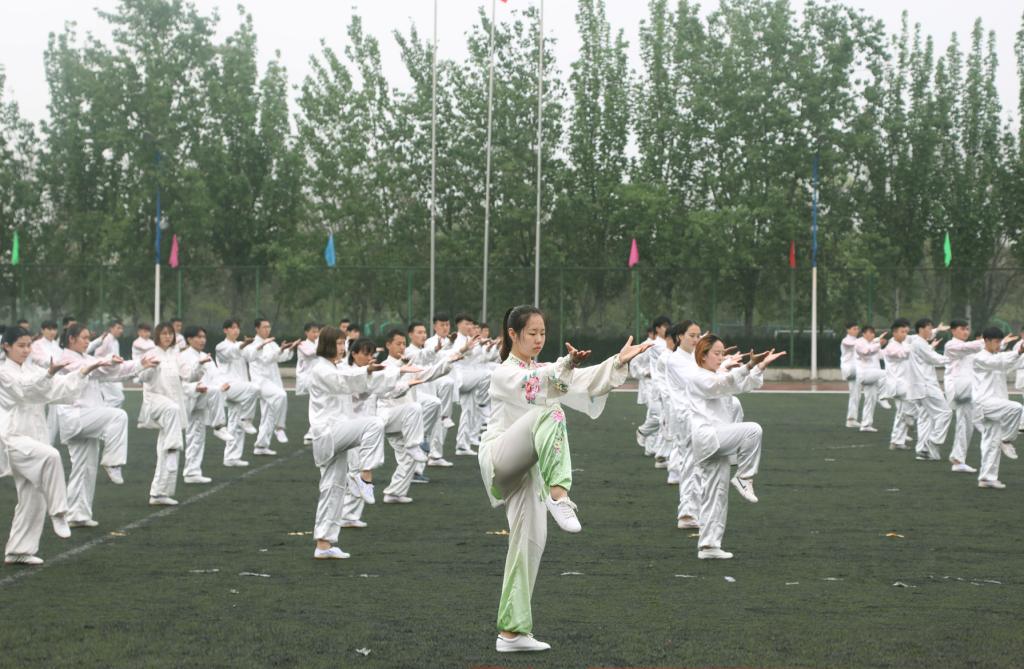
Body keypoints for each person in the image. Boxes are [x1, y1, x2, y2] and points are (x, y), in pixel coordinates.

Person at [480, 305, 651, 653]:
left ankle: (512, 633)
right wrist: (564, 365)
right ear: (512, 334)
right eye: (532, 333)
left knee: (530, 543)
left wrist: (617, 362)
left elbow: (579, 382)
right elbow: (536, 386)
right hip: (501, 456)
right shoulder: (503, 373)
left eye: (543, 333)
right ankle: (559, 495)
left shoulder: (544, 369)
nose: (539, 339)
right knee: (551, 410)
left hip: (528, 468)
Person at [0, 327, 108, 565]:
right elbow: (23, 391)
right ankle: (59, 511)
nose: (26, 350)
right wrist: (48, 374)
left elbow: (57, 389)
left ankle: (18, 550)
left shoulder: (32, 369)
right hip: (11, 438)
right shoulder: (3, 372)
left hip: (34, 437)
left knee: (33, 495)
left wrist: (82, 372)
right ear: (6, 346)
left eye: (29, 345)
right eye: (20, 345)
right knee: (51, 456)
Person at [684, 336, 785, 560]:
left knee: (716, 494)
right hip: (709, 437)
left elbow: (744, 384)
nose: (722, 357)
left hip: (718, 439)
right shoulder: (697, 376)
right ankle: (744, 476)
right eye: (717, 353)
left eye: (723, 353)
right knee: (752, 430)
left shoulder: (717, 375)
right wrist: (748, 365)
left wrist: (759, 367)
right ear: (702, 355)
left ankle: (709, 546)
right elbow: (721, 385)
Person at [53, 323, 152, 527]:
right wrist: (105, 361)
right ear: (71, 339)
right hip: (75, 417)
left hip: (87, 418)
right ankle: (113, 461)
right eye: (84, 337)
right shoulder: (64, 358)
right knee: (118, 416)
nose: (87, 341)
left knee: (85, 468)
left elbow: (112, 372)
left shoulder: (86, 358)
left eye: (88, 337)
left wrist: (140, 364)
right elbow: (85, 370)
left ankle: (77, 515)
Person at [306, 327, 388, 559]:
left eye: (344, 343)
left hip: (336, 433)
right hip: (328, 433)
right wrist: (366, 371)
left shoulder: (336, 368)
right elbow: (343, 382)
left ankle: (324, 544)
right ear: (327, 344)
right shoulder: (321, 368)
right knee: (374, 424)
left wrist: (383, 373)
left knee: (333, 489)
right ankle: (364, 477)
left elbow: (355, 390)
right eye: (339, 343)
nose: (342, 348)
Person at [137, 322, 206, 506]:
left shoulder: (177, 355)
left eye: (170, 334)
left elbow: (189, 376)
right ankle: (174, 449)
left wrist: (200, 365)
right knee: (172, 415)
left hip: (173, 405)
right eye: (164, 333)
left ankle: (159, 493)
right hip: (155, 402)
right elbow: (141, 378)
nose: (167, 337)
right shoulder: (151, 353)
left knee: (163, 447)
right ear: (157, 335)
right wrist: (150, 367)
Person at [180, 326, 235, 484]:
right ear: (189, 339)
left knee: (197, 436)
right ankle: (219, 426)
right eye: (198, 337)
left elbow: (216, 375)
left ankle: (192, 472)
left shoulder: (206, 356)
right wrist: (198, 382)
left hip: (202, 399)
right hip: (189, 397)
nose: (202, 340)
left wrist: (222, 384)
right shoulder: (183, 357)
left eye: (204, 337)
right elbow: (185, 378)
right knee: (214, 392)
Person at [971, 327, 1024, 489]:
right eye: (996, 342)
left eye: (1000, 342)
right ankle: (1006, 439)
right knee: (1017, 408)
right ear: (986, 340)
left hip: (996, 404)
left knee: (991, 441)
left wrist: (1020, 353)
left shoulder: (997, 356)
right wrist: (1018, 352)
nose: (999, 345)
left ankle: (987, 478)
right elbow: (998, 362)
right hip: (984, 403)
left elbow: (1009, 361)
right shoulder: (979, 357)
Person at [664, 320, 703, 529]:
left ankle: (691, 510)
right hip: (686, 416)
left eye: (698, 335)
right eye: (692, 335)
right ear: (680, 337)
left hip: (697, 415)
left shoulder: (694, 358)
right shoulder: (675, 360)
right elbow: (696, 382)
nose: (696, 339)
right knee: (690, 463)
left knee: (697, 464)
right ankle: (687, 512)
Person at [244, 318, 298, 454]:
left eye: (269, 327)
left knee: (269, 413)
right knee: (282, 396)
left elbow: (281, 358)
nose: (267, 329)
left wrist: (288, 349)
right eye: (264, 327)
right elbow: (266, 359)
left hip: (273, 382)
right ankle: (279, 427)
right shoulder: (253, 345)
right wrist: (279, 350)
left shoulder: (272, 343)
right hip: (261, 383)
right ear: (257, 329)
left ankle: (261, 446)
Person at [214, 319, 261, 466]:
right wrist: (244, 345)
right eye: (233, 328)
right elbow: (231, 353)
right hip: (229, 387)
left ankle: (231, 457)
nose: (236, 331)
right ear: (225, 330)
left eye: (238, 328)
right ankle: (246, 419)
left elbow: (251, 356)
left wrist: (260, 346)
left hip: (240, 388)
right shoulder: (221, 346)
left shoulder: (240, 345)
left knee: (235, 423)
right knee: (255, 388)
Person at [905, 319, 952, 461]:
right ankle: (933, 441)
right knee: (945, 413)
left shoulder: (918, 341)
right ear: (921, 329)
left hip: (920, 387)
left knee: (926, 418)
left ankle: (923, 450)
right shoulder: (919, 343)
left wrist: (937, 330)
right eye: (929, 328)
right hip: (926, 386)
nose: (931, 331)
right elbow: (934, 358)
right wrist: (952, 359)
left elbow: (929, 349)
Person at [943, 319, 985, 473]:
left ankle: (958, 460)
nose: (966, 332)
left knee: (966, 425)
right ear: (953, 330)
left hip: (966, 391)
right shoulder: (951, 345)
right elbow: (967, 347)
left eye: (967, 329)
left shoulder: (970, 350)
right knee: (984, 390)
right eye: (962, 329)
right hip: (958, 387)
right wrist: (987, 340)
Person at [881, 319, 917, 450]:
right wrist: (915, 348)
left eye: (906, 332)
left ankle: (896, 441)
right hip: (898, 385)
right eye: (902, 332)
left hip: (903, 384)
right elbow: (902, 354)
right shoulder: (891, 347)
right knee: (917, 404)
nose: (905, 334)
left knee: (901, 412)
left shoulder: (904, 344)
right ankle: (910, 419)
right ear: (894, 332)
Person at [86, 319, 128, 408]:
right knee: (116, 398)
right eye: (118, 328)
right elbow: (97, 355)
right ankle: (104, 414)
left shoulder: (115, 341)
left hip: (113, 374)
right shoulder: (107, 339)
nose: (121, 330)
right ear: (111, 328)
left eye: (121, 328)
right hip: (105, 374)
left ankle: (110, 415)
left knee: (116, 398)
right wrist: (107, 364)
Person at [854, 326, 889, 433]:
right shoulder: (859, 342)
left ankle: (866, 425)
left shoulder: (873, 344)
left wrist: (892, 347)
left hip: (873, 375)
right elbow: (865, 352)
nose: (872, 335)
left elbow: (882, 355)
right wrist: (878, 344)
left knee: (870, 400)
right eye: (870, 333)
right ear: (864, 334)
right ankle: (882, 397)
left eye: (873, 333)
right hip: (865, 374)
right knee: (887, 374)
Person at [296, 322, 321, 444]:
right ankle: (311, 433)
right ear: (306, 332)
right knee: (316, 405)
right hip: (308, 379)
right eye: (313, 332)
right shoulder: (302, 344)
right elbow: (309, 353)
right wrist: (325, 346)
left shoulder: (319, 344)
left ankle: (313, 432)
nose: (316, 334)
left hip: (317, 379)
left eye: (317, 332)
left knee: (318, 405)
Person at [840, 322, 861, 428]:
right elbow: (854, 344)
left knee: (856, 394)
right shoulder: (846, 340)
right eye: (854, 329)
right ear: (848, 330)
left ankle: (851, 420)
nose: (856, 330)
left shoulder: (858, 341)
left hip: (856, 371)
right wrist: (873, 341)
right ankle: (882, 395)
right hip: (850, 370)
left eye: (857, 328)